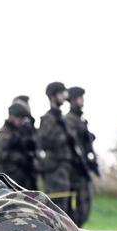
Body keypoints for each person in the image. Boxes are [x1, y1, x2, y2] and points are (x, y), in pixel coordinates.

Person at [36, 82, 80, 221]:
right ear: (52, 96)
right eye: (60, 93)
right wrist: (63, 137)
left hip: (65, 168)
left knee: (65, 208)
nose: (64, 96)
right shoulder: (48, 118)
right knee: (55, 207)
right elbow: (43, 142)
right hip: (54, 168)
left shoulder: (62, 119)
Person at [64, 86, 99, 225]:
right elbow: (72, 144)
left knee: (85, 206)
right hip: (75, 171)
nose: (82, 100)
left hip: (83, 170)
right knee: (76, 209)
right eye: (79, 97)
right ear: (72, 100)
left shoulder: (81, 120)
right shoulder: (69, 120)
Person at [0, 102, 36, 189]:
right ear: (12, 116)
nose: (21, 121)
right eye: (20, 118)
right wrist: (18, 157)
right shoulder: (4, 133)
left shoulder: (19, 131)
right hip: (10, 177)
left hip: (23, 176)